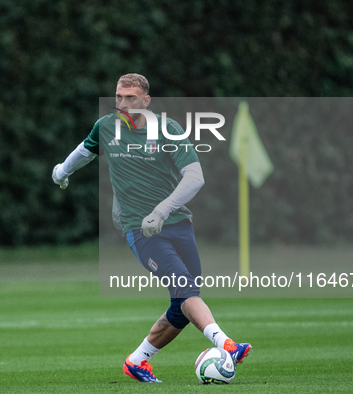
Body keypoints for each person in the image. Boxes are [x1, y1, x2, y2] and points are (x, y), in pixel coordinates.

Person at [52, 73, 251, 383]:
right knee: (186, 291)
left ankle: (137, 361)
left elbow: (195, 177)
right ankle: (227, 345)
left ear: (146, 101)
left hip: (177, 222)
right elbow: (85, 151)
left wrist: (161, 210)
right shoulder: (106, 127)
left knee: (183, 302)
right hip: (138, 229)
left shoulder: (167, 129)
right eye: (118, 97)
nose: (122, 104)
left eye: (130, 98)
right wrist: (61, 172)